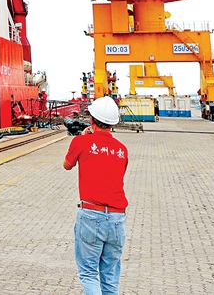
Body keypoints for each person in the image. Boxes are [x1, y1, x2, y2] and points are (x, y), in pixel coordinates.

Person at [63, 96, 128, 295]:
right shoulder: (122, 150)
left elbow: (67, 165)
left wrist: (83, 138)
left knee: (89, 274)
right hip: (117, 218)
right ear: (113, 124)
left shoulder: (81, 142)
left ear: (91, 120)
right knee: (110, 278)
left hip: (91, 216)